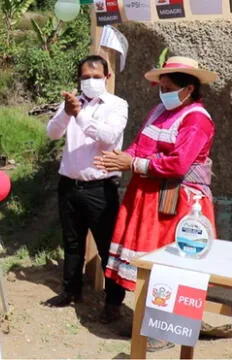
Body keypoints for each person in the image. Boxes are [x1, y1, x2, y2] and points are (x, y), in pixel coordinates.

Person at [96, 56, 217, 351]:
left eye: (168, 87)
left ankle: (167, 331)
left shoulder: (197, 119)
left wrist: (133, 163)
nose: (162, 91)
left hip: (177, 202)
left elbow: (178, 164)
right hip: (149, 197)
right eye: (161, 86)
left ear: (188, 89)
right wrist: (123, 158)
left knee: (172, 263)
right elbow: (141, 144)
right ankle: (152, 323)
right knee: (151, 264)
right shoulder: (159, 111)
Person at [43, 55, 129, 323]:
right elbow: (52, 133)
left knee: (107, 248)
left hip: (100, 188)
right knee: (71, 243)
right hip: (69, 184)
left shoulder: (117, 105)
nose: (90, 81)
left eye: (95, 76)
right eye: (84, 77)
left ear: (107, 77)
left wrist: (79, 115)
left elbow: (108, 137)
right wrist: (67, 114)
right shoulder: (71, 104)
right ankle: (71, 291)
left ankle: (113, 303)